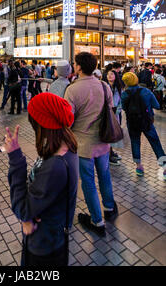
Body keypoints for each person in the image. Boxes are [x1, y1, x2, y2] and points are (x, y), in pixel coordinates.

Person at [5, 92, 79, 267]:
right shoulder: (65, 144)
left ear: (41, 123)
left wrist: (16, 158)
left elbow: (23, 209)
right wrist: (31, 215)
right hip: (50, 236)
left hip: (43, 244)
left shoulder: (55, 165)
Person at [65, 52, 118, 237]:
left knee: (88, 182)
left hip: (83, 145)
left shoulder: (72, 90)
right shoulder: (104, 86)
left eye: (74, 63)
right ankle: (109, 207)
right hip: (103, 142)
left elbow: (68, 120)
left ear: (79, 67)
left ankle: (97, 220)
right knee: (104, 175)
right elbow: (111, 111)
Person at [121, 72, 166, 180]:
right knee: (155, 143)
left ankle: (139, 167)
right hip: (147, 122)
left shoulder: (124, 94)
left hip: (132, 123)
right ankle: (164, 167)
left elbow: (123, 108)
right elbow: (157, 105)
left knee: (135, 142)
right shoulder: (145, 91)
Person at [102, 70, 123, 165]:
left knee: (113, 133)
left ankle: (111, 152)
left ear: (116, 76)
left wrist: (117, 111)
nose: (109, 76)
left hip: (115, 113)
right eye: (108, 74)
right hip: (106, 113)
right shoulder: (104, 86)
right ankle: (109, 155)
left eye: (112, 74)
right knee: (108, 133)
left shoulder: (119, 88)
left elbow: (121, 102)